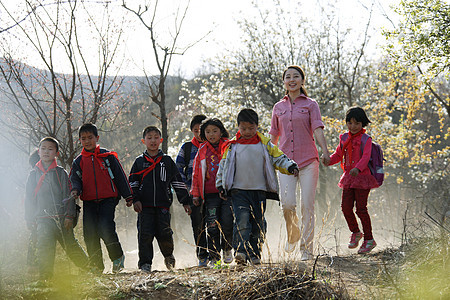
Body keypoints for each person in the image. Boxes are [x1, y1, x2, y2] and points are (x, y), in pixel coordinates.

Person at [217, 108, 299, 265]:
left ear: (257, 126)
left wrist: (290, 166)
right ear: (238, 127)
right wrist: (221, 185)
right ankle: (240, 252)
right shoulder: (232, 146)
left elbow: (279, 157)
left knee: (258, 222)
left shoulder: (265, 143)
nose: (247, 131)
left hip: (259, 191)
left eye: (251, 128)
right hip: (238, 191)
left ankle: (255, 253)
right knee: (241, 219)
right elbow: (223, 167)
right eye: (243, 128)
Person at [269, 65, 330, 260]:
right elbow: (273, 136)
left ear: (302, 81)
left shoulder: (311, 105)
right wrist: (268, 158)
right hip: (285, 162)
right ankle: (293, 233)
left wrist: (326, 151)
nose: (292, 79)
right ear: (284, 82)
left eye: (296, 76)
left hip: (308, 161)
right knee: (287, 204)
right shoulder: (278, 107)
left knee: (307, 206)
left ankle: (306, 249)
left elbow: (318, 128)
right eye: (288, 77)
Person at [69, 123, 133, 274]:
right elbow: (75, 178)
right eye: (83, 138)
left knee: (105, 227)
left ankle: (117, 258)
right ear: (80, 140)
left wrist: (128, 195)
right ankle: (96, 265)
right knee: (90, 233)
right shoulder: (78, 161)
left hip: (108, 200)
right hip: (89, 201)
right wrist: (75, 190)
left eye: (90, 137)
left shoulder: (108, 157)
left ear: (97, 138)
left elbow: (120, 176)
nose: (87, 141)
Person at [129, 126, 192, 273]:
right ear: (143, 141)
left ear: (160, 140)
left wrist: (185, 201)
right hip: (144, 207)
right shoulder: (139, 162)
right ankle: (145, 264)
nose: (152, 141)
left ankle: (168, 256)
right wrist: (135, 199)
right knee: (145, 235)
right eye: (149, 138)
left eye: (156, 137)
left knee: (165, 233)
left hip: (163, 206)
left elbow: (177, 182)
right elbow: (133, 182)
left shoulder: (167, 161)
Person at [25, 137, 89, 280]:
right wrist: (29, 218)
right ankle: (45, 277)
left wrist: (69, 215)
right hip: (42, 219)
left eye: (50, 149)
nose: (46, 151)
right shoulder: (33, 174)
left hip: (61, 217)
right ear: (38, 151)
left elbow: (69, 195)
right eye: (43, 148)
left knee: (71, 245)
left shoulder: (61, 173)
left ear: (56, 153)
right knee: (44, 247)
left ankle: (89, 269)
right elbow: (29, 199)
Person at [323, 107, 378, 254]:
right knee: (346, 207)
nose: (353, 127)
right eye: (350, 123)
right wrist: (328, 161)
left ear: (363, 124)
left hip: (362, 178)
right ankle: (355, 232)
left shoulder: (366, 139)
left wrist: (358, 169)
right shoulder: (344, 138)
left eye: (357, 123)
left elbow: (366, 157)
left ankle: (369, 239)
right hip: (349, 178)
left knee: (361, 209)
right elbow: (338, 154)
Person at [191, 118, 232, 266]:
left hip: (227, 194)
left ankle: (227, 248)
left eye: (215, 131)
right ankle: (215, 257)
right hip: (210, 196)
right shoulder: (202, 150)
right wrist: (195, 194)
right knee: (212, 226)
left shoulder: (229, 147)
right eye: (208, 132)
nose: (211, 134)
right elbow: (196, 173)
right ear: (203, 133)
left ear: (221, 131)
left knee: (227, 223)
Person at [175, 114, 209, 267]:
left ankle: (216, 255)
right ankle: (202, 256)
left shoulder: (214, 146)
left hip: (212, 192)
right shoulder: (187, 148)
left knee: (215, 224)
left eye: (202, 130)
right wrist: (186, 191)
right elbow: (178, 170)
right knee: (198, 225)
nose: (199, 133)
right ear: (192, 131)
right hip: (193, 193)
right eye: (196, 130)